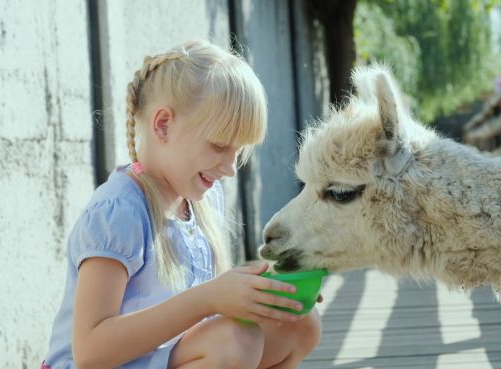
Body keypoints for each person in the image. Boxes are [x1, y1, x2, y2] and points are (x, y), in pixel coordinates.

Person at [42, 40, 322, 369]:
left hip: (157, 358)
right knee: (235, 341)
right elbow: (91, 352)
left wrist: (258, 285)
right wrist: (207, 299)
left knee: (300, 323)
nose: (231, 168)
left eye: (238, 151)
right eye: (219, 145)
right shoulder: (119, 212)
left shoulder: (200, 198)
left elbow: (193, 304)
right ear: (163, 125)